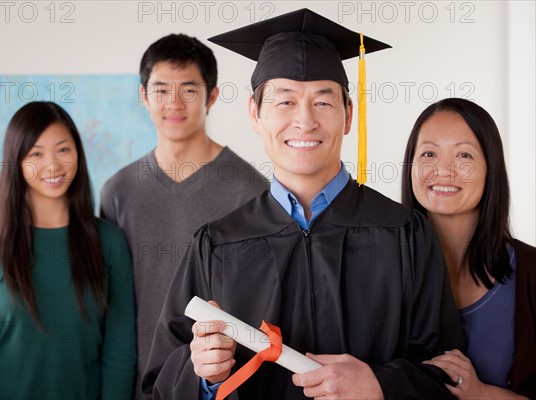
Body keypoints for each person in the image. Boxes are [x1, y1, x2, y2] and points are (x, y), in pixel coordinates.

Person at [142, 8, 465, 399]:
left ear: (348, 114)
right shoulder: (216, 244)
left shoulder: (404, 233)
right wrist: (204, 378)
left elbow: (448, 373)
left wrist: (380, 385)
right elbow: (158, 382)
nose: (305, 121)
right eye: (285, 102)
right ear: (254, 114)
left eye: (323, 103)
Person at [100, 34, 269, 398]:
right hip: (137, 384)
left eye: (189, 90)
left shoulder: (251, 191)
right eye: (161, 90)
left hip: (222, 384)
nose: (173, 103)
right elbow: (112, 306)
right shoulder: (118, 192)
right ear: (143, 96)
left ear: (211, 96)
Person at [0, 101, 137, 399]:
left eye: (63, 149)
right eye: (36, 154)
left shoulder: (109, 241)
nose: (53, 165)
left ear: (78, 153)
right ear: (16, 160)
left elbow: (120, 348)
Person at [401, 98, 535, 399]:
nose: (444, 170)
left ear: (491, 168)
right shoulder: (380, 270)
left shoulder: (531, 273)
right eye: (429, 153)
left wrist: (481, 393)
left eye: (463, 154)